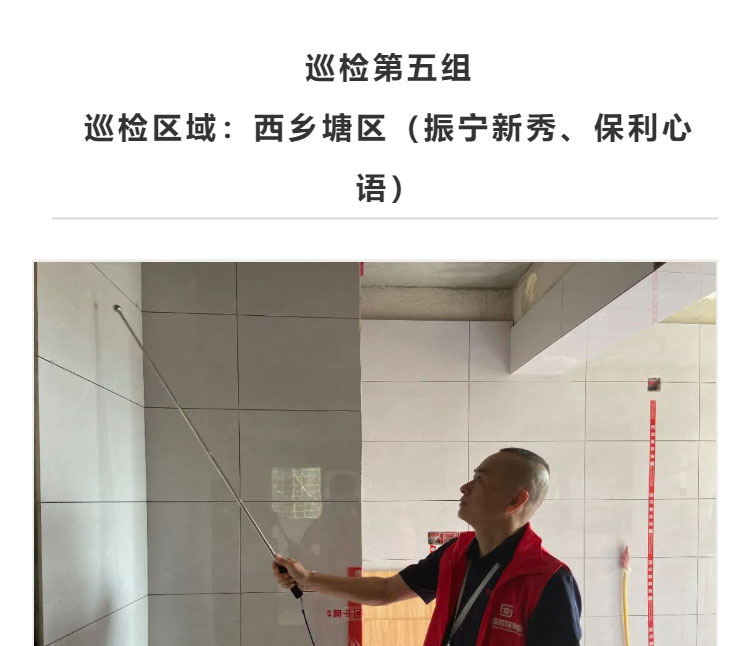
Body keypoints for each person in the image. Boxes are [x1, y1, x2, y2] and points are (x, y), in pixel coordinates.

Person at [272, 448, 582, 645]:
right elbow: (385, 591)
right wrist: (308, 580)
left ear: (515, 500)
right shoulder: (456, 554)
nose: (465, 487)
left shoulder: (548, 580)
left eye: (480, 480)